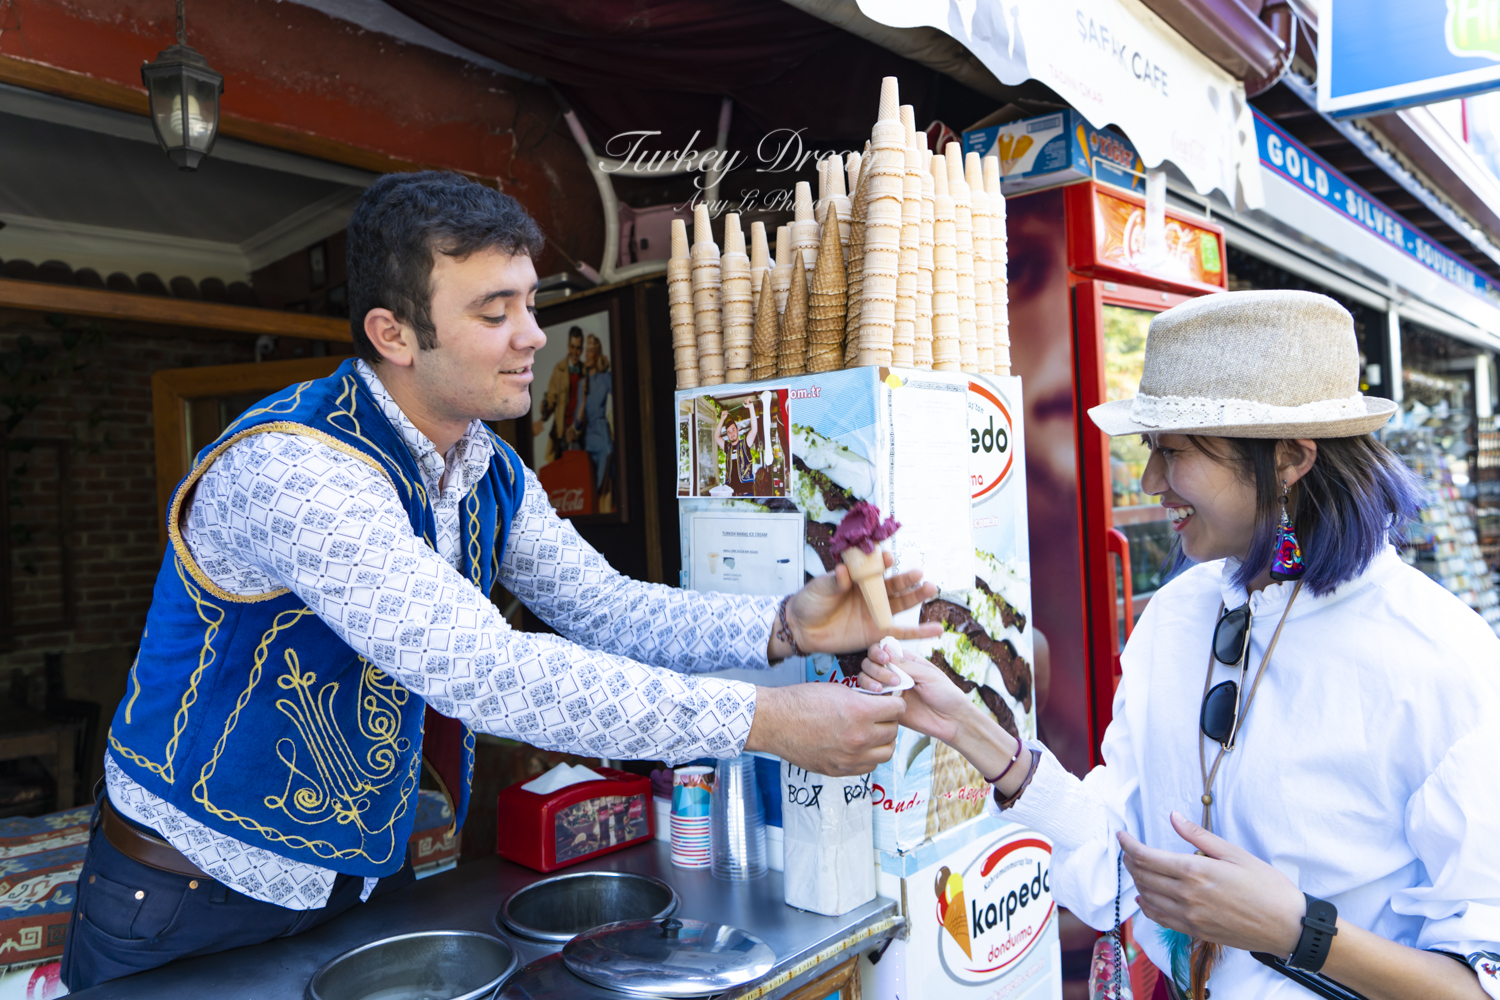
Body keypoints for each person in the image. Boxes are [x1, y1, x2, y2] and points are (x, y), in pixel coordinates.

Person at [62, 172, 938, 990]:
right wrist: (767, 720)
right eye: (495, 311)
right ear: (392, 333)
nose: (532, 337)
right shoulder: (294, 468)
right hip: (181, 903)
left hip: (361, 882)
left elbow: (603, 608)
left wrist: (784, 626)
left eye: (529, 303)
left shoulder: (485, 468)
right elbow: (486, 670)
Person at [862, 291, 1500, 1000]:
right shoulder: (1175, 617)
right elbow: (1115, 859)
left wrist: (1299, 931)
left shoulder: (1444, 660)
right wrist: (981, 738)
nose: (1149, 483)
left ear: (1290, 457)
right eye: (1150, 451)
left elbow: (1477, 981)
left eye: (1175, 452)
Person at [534, 325, 584, 462]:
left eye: (578, 348)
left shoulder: (585, 372)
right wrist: (545, 410)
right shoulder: (559, 370)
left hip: (579, 434)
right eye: (573, 347)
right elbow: (551, 400)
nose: (575, 352)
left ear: (582, 349)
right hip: (560, 433)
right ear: (568, 346)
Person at [575, 333, 614, 507]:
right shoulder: (582, 383)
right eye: (587, 350)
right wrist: (583, 399)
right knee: (590, 483)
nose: (589, 354)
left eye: (592, 350)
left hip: (602, 433)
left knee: (605, 481)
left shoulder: (606, 378)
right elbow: (577, 422)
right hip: (589, 438)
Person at [714, 405, 759, 495]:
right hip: (731, 494)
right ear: (727, 434)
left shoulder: (745, 443)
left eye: (733, 430)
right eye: (729, 432)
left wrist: (750, 407)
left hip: (746, 493)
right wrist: (722, 419)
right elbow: (716, 437)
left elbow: (754, 430)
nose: (731, 433)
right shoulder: (727, 447)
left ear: (737, 430)